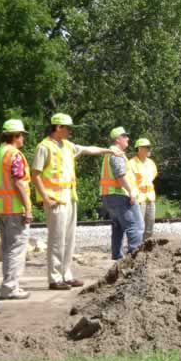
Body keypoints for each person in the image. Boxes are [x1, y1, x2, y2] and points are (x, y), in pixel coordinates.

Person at [32, 113, 120, 290]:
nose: (71, 131)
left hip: (69, 197)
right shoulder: (44, 147)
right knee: (56, 240)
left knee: (68, 239)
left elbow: (88, 149)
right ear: (58, 128)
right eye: (68, 128)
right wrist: (45, 197)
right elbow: (35, 174)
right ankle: (55, 278)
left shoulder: (67, 146)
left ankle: (66, 274)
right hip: (56, 200)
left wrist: (108, 150)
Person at [0, 119, 32, 300]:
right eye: (22, 135)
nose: (23, 138)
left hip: (1, 208)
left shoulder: (0, 152)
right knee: (16, 249)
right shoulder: (14, 154)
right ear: (16, 136)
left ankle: (9, 284)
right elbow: (19, 183)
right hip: (15, 208)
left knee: (8, 249)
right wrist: (28, 208)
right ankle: (10, 287)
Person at [100, 127, 144, 260]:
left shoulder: (109, 153)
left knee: (118, 226)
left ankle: (118, 257)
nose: (128, 138)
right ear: (117, 139)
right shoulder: (116, 154)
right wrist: (131, 192)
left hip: (109, 196)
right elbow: (121, 176)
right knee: (135, 226)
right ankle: (135, 260)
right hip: (120, 195)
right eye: (125, 136)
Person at [130, 138, 158, 240]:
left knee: (149, 227)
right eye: (147, 147)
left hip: (150, 198)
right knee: (138, 227)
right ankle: (136, 248)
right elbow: (130, 181)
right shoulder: (131, 163)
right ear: (140, 149)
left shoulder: (151, 163)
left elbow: (153, 176)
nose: (149, 150)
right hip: (139, 199)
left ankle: (146, 249)